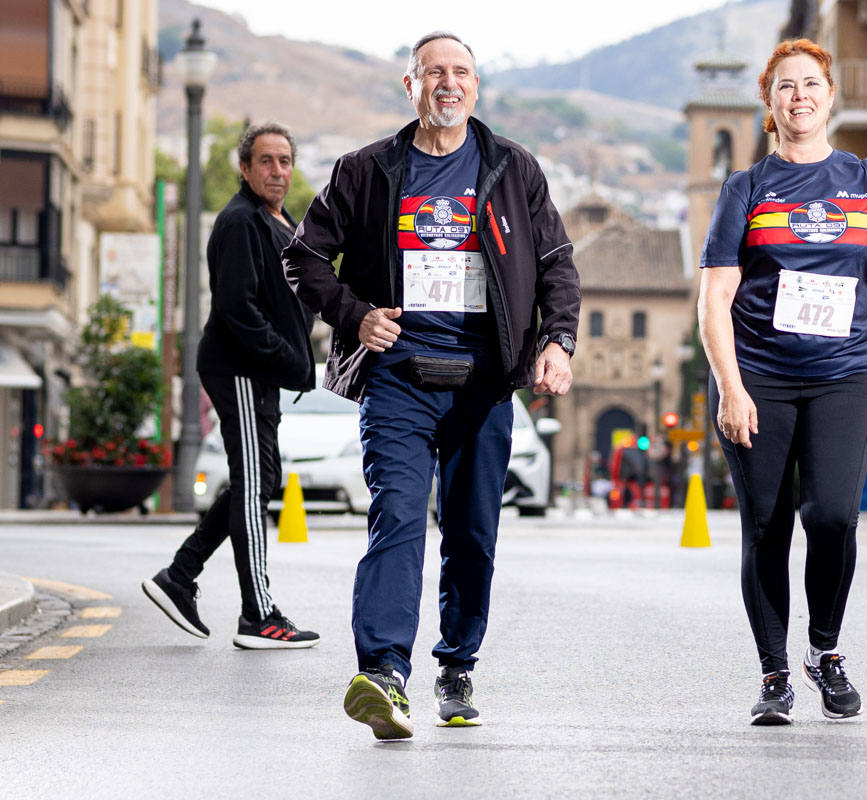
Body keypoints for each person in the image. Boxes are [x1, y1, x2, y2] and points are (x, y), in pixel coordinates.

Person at [282, 31, 580, 740]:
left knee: (473, 534)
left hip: (484, 382)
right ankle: (384, 671)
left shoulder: (512, 167)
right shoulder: (367, 170)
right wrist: (355, 316)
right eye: (434, 73)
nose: (449, 84)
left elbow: (557, 264)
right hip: (399, 382)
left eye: (462, 73)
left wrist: (557, 343)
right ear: (409, 86)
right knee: (399, 519)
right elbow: (305, 257)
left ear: (476, 87)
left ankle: (456, 664)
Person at [698, 38, 867, 726]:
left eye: (810, 84)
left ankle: (824, 650)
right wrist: (730, 388)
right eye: (785, 88)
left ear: (829, 95)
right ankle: (773, 674)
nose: (799, 96)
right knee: (766, 525)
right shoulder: (746, 188)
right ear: (770, 106)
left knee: (833, 515)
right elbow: (714, 299)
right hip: (760, 377)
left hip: (846, 375)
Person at [142, 122, 319, 649]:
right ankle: (258, 614)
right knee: (253, 485)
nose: (277, 171)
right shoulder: (241, 222)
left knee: (259, 480)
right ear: (245, 168)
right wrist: (288, 358)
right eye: (265, 161)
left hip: (260, 372)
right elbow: (238, 309)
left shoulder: (278, 219)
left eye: (285, 161)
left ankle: (180, 575)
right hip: (240, 369)